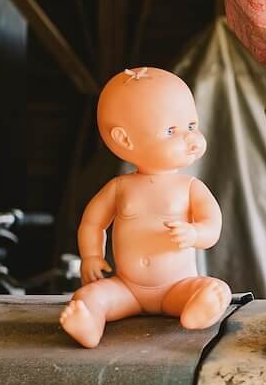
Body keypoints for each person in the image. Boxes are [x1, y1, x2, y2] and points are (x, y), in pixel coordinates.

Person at [59, 67, 232, 348]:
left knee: (215, 288)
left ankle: (199, 309)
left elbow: (212, 226)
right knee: (89, 296)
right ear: (124, 139)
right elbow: (92, 223)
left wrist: (195, 234)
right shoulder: (119, 187)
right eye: (170, 131)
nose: (190, 138)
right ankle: (89, 322)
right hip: (127, 288)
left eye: (191, 126)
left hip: (178, 286)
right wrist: (91, 256)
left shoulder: (190, 187)